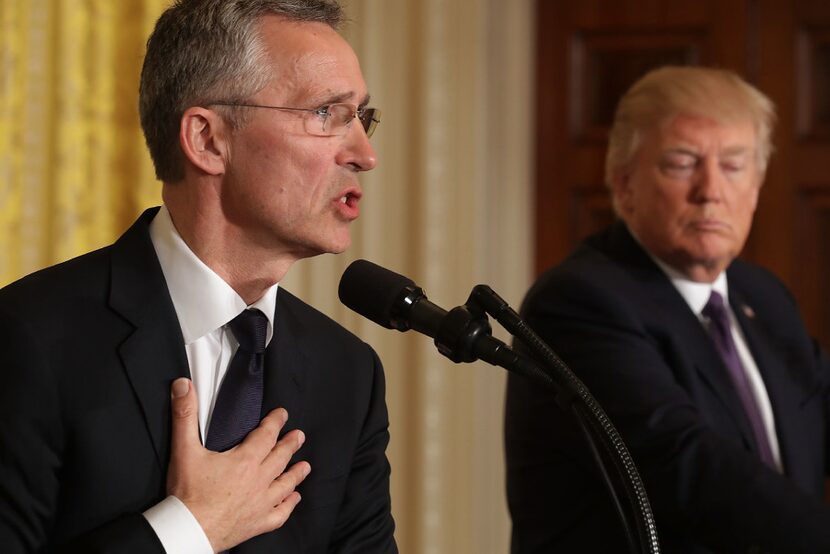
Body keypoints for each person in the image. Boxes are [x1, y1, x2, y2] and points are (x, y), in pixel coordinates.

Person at [0, 1, 396, 552]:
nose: (365, 154)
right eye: (327, 114)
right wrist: (188, 529)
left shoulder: (348, 375)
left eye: (362, 117)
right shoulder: (29, 338)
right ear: (208, 140)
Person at [504, 66, 830, 553]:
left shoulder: (762, 296)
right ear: (624, 181)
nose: (711, 190)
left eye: (735, 165)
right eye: (682, 163)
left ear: (757, 188)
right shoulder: (578, 302)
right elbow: (686, 465)